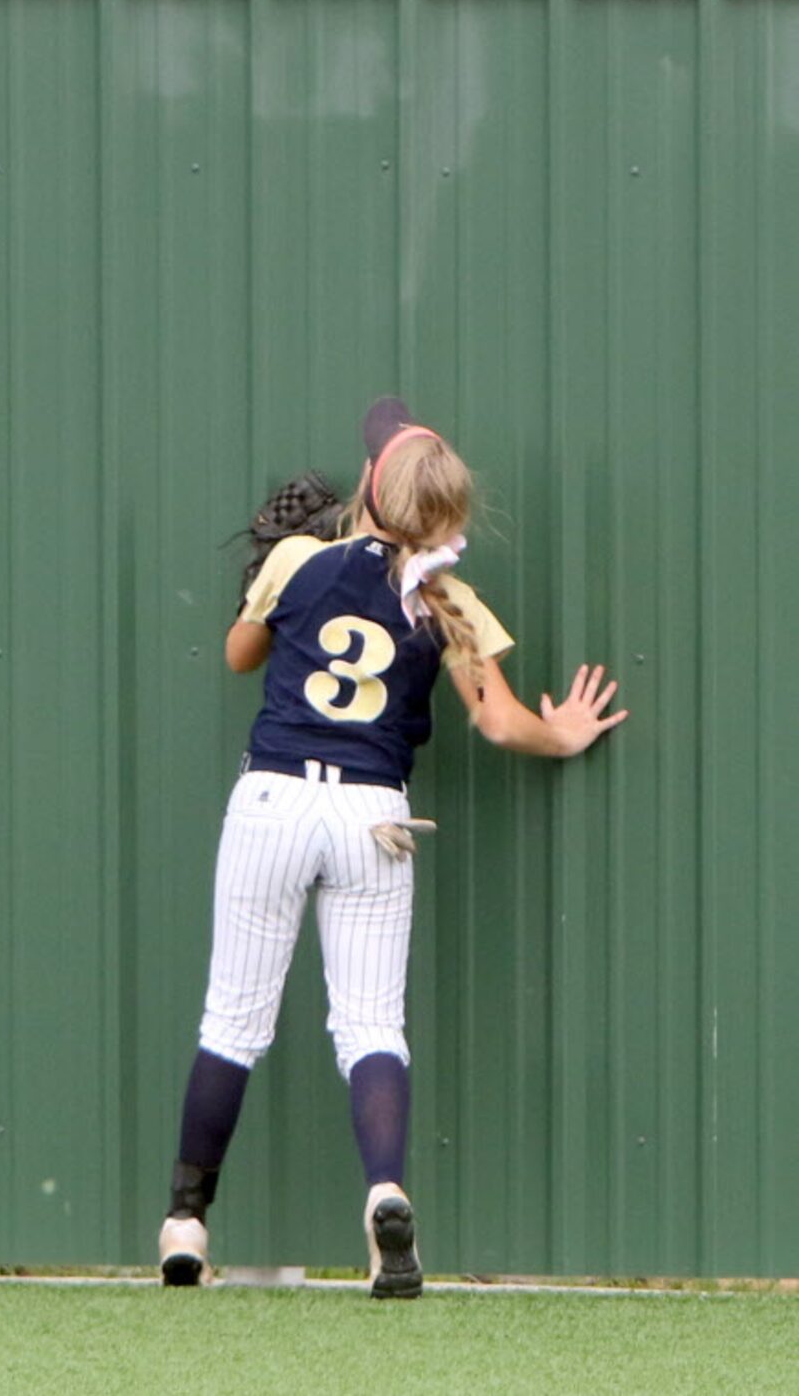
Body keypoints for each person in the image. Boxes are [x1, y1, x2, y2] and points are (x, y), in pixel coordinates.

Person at [159, 398, 627, 1295]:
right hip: (374, 812)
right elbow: (498, 722)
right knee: (370, 1026)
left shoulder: (300, 561)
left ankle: (185, 1222)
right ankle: (384, 1198)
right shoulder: (447, 598)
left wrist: (268, 571)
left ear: (371, 489)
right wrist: (562, 734)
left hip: (274, 799)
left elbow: (238, 656)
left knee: (233, 1022)